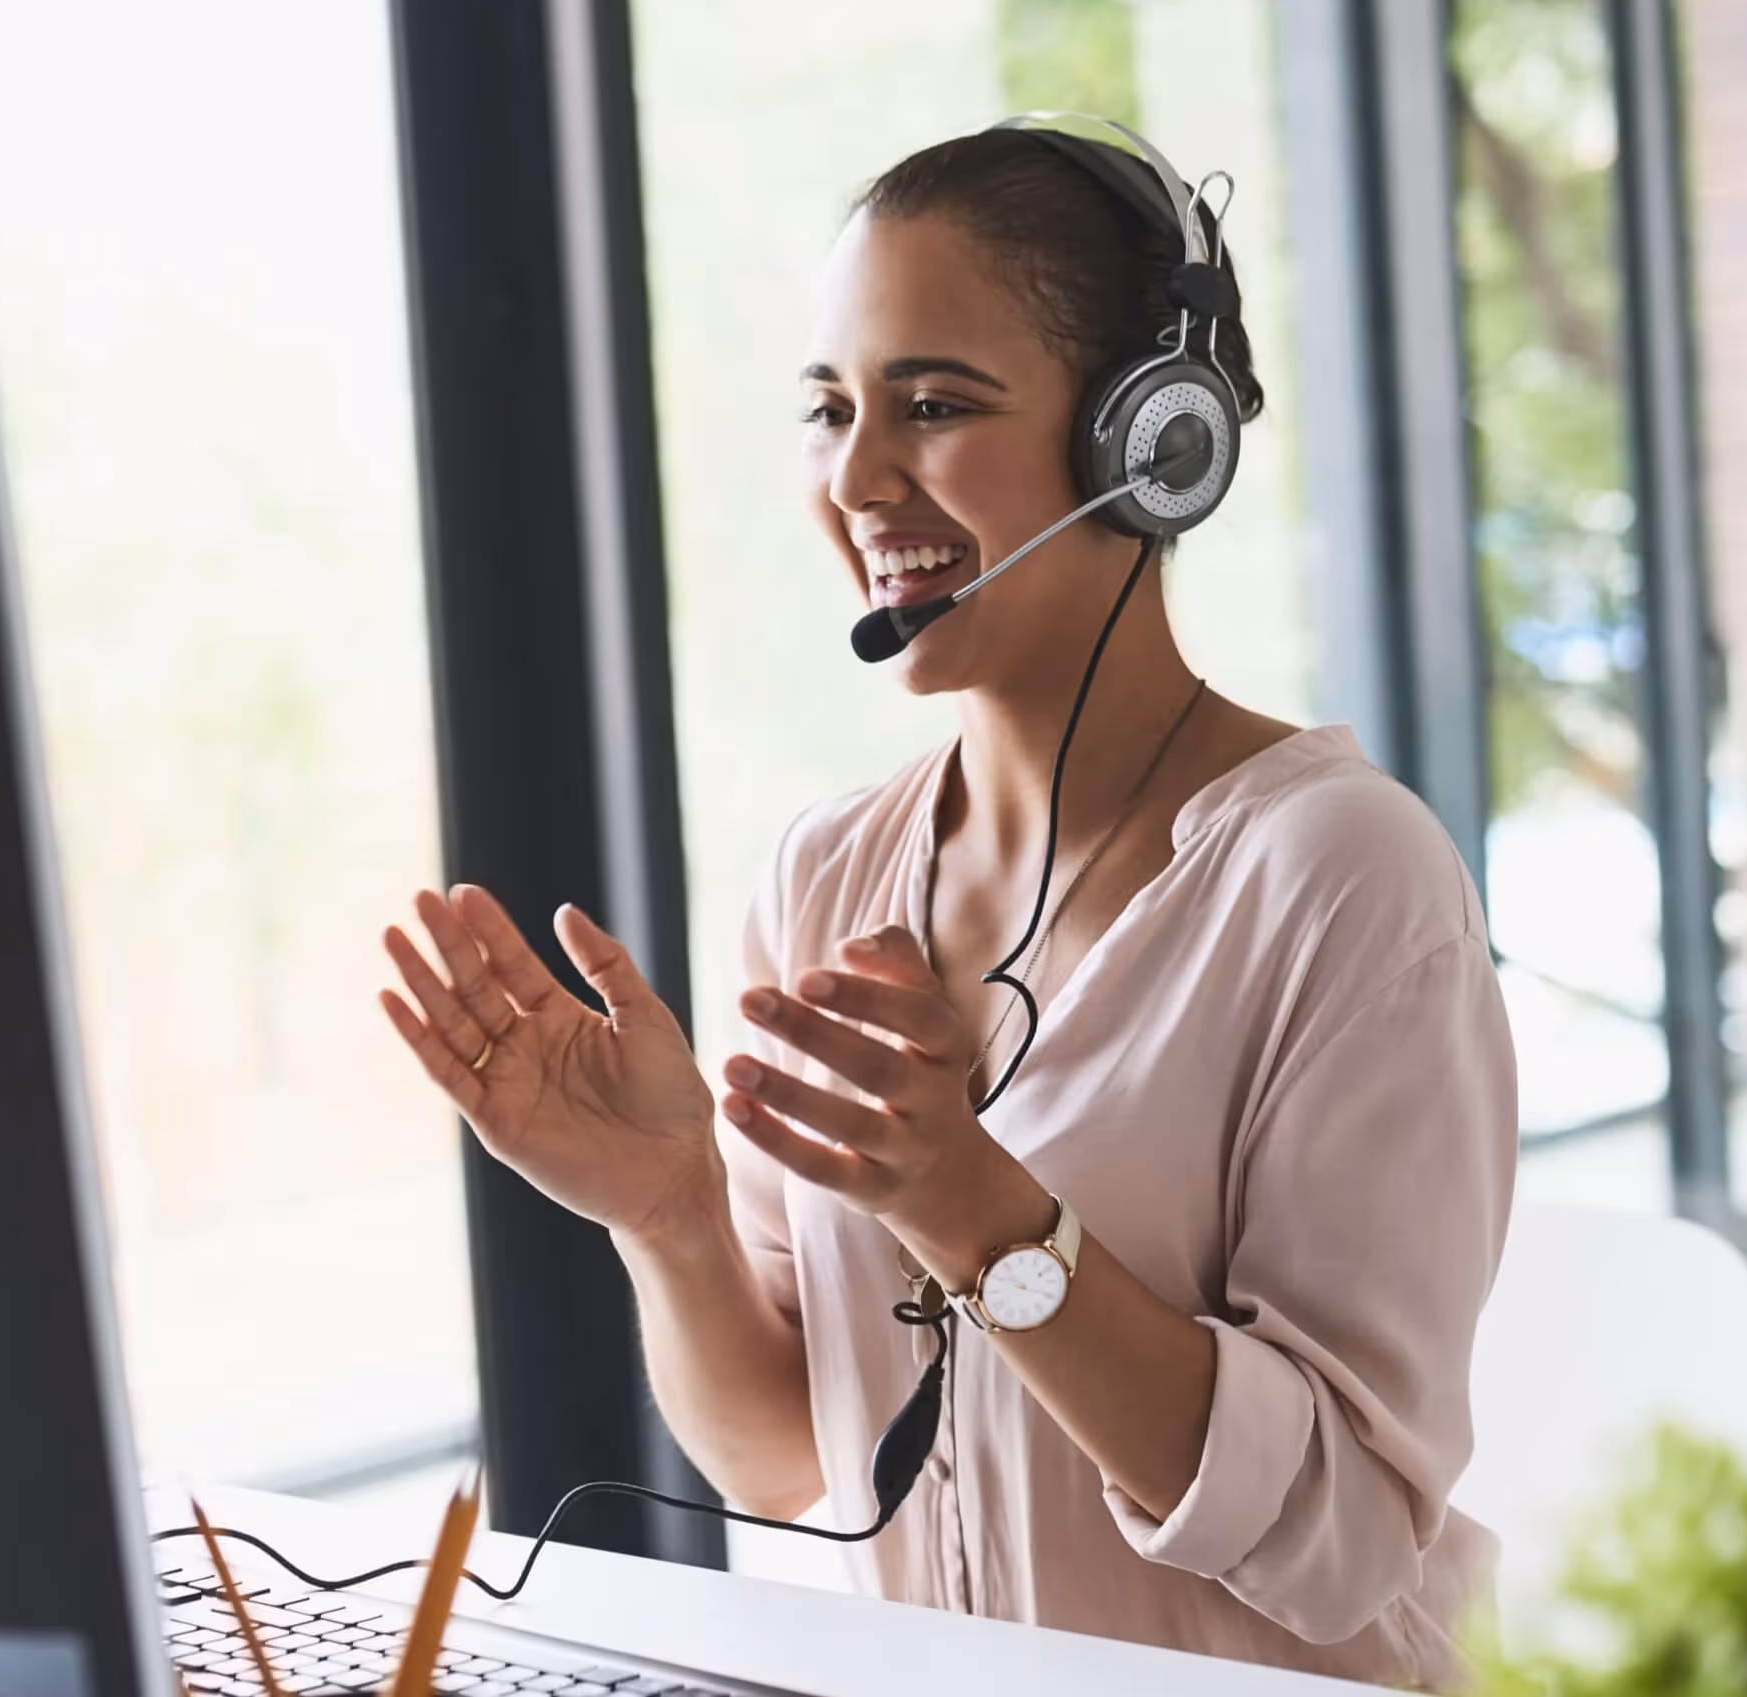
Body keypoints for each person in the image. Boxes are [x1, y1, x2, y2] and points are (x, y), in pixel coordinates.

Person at [378, 121, 1518, 1691]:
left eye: (933, 405)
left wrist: (972, 1207)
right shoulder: (829, 877)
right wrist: (668, 1214)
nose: (855, 479)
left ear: (1150, 443)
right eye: (829, 410)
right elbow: (794, 1466)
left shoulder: (1339, 879)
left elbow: (1340, 1543)